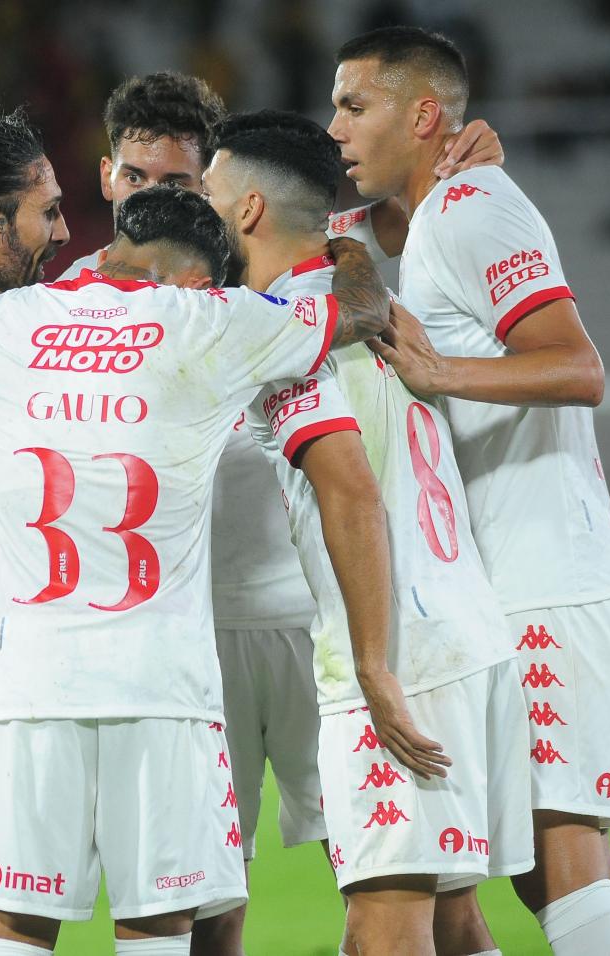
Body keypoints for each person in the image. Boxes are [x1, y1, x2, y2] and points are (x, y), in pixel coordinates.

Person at [0, 182, 389, 956]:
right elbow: (363, 310)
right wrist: (346, 248)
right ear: (198, 281)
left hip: (30, 691)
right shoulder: (213, 322)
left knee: (16, 929)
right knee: (155, 928)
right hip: (165, 692)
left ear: (107, 253)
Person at [61, 70, 504, 956]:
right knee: (241, 885)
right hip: (210, 628)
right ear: (108, 176)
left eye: (188, 186)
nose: (160, 201)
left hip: (336, 624)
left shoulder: (286, 314)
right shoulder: (77, 297)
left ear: (231, 200)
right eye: (136, 179)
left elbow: (348, 487)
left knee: (398, 899)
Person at [328, 25, 610, 956]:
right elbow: (360, 239)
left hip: (552, 573)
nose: (338, 126)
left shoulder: (473, 206)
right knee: (521, 860)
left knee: (558, 856)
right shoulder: (434, 215)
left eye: (355, 104)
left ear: (423, 114)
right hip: (516, 577)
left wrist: (444, 377)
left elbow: (578, 365)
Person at [205, 108, 532, 956]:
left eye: (206, 188)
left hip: (401, 655)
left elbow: (350, 493)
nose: (194, 204)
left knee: (385, 929)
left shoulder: (291, 337)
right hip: (465, 634)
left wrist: (375, 667)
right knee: (452, 923)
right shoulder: (379, 309)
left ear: (246, 211)